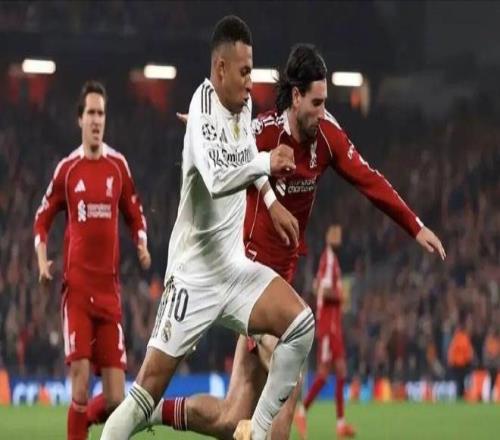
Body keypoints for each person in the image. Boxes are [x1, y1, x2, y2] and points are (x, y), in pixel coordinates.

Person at [158, 44, 445, 439]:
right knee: (290, 366)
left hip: (281, 283)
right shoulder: (266, 131)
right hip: (247, 279)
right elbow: (229, 145)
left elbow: (370, 180)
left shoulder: (327, 136)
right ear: (296, 97)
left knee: (230, 417)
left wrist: (415, 226)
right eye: (316, 102)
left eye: (326, 102)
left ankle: (152, 411)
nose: (323, 111)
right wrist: (203, 128)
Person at [100, 15, 315, 440]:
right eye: (244, 72)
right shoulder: (202, 111)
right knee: (142, 397)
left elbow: (246, 155)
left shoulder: (243, 105)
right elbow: (217, 179)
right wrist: (267, 162)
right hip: (193, 279)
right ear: (220, 68)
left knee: (301, 325)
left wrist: (271, 202)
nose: (251, 83)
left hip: (233, 271)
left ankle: (258, 429)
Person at [33, 80, 151, 440]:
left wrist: (142, 243)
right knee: (81, 386)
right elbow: (42, 218)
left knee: (117, 400)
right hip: (78, 293)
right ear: (79, 119)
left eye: (101, 113)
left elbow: (135, 213)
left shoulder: (118, 166)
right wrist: (42, 260)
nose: (97, 119)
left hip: (109, 295)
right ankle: (79, 421)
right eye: (91, 113)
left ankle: (80, 422)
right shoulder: (68, 169)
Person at [294, 225, 355, 438]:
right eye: (336, 236)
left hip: (333, 326)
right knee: (324, 373)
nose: (340, 239)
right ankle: (302, 411)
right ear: (330, 239)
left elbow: (316, 285)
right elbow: (323, 290)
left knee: (341, 371)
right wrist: (341, 295)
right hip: (328, 326)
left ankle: (340, 424)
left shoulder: (331, 260)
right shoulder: (328, 259)